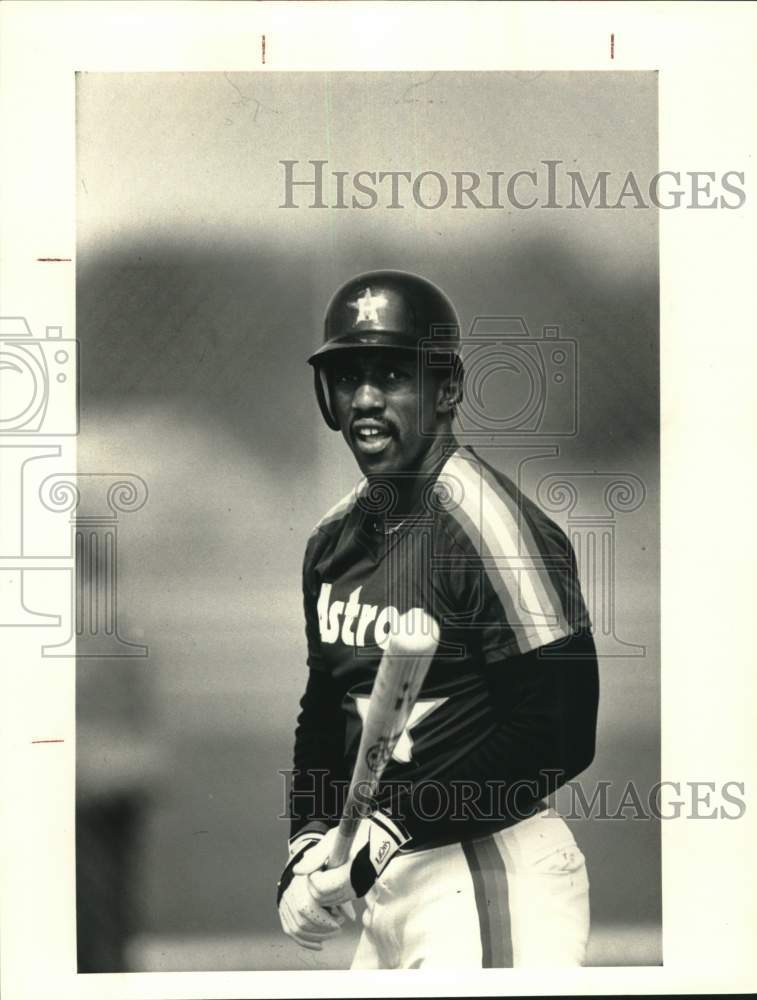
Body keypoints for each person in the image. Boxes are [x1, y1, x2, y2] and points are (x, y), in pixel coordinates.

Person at [276, 270, 600, 968]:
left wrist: (394, 823)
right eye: (348, 376)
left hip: (484, 873)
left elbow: (559, 728)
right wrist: (306, 841)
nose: (365, 399)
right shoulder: (332, 540)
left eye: (392, 374)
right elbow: (324, 704)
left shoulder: (488, 525)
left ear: (445, 390)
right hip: (386, 886)